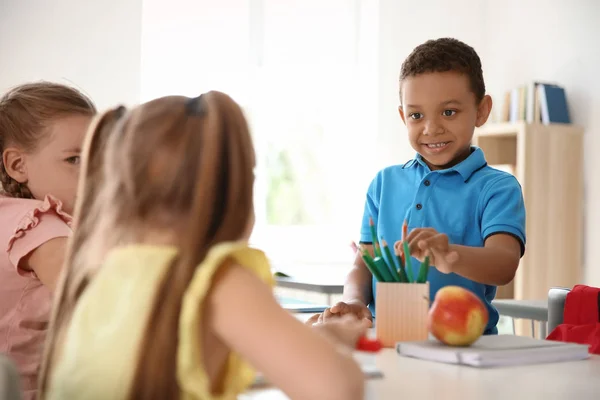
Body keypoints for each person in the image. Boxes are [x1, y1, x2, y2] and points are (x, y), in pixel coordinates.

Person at [40, 92, 367, 400]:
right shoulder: (216, 279)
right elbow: (339, 388)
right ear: (232, 187)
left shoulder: (98, 272)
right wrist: (332, 340)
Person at [309, 38, 526, 335]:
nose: (431, 128)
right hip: (388, 342)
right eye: (416, 115)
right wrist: (354, 301)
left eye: (449, 112)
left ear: (481, 110)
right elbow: (364, 264)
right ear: (403, 117)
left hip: (468, 347)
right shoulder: (384, 183)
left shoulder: (497, 187)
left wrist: (451, 255)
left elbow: (504, 265)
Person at [0, 81, 96, 399]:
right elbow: (95, 304)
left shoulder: (12, 216)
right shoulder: (40, 227)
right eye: (74, 160)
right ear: (17, 165)